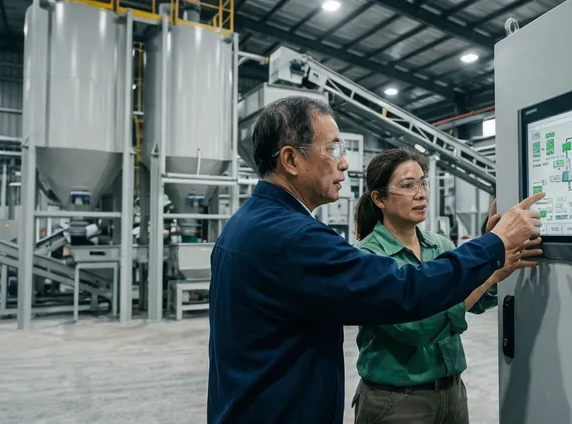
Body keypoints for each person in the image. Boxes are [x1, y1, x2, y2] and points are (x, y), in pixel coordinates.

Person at [207, 95, 546, 424]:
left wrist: (490, 265)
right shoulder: (294, 237)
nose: (344, 162)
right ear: (291, 160)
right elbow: (405, 293)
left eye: (423, 184)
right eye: (333, 149)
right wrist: (493, 245)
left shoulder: (246, 225)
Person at [350, 149, 542, 424]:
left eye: (423, 182)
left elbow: (478, 301)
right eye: (407, 185)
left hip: (452, 392)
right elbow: (420, 328)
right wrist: (490, 271)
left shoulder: (439, 245)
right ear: (379, 198)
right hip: (398, 403)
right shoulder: (367, 258)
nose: (421, 193)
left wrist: (491, 262)